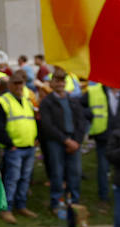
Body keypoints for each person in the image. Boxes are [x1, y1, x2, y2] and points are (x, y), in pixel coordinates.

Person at [38, 73, 89, 218]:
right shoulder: (47, 102)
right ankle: (57, 203)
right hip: (56, 142)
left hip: (74, 140)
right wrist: (65, 141)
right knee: (57, 173)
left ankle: (73, 202)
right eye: (57, 81)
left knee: (75, 173)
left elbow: (81, 122)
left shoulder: (73, 100)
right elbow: (47, 125)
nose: (60, 84)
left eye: (62, 81)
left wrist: (77, 141)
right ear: (52, 84)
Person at [0, 71, 38, 223]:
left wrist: (35, 138)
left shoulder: (26, 100)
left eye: (21, 83)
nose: (19, 86)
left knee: (25, 178)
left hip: (29, 146)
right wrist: (9, 144)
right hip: (15, 148)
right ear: (10, 85)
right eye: (16, 83)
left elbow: (31, 120)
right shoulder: (3, 101)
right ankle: (7, 208)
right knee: (12, 179)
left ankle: (21, 205)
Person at [83, 79, 120, 211]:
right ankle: (104, 197)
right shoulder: (94, 91)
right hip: (104, 136)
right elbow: (80, 106)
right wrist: (89, 114)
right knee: (103, 168)